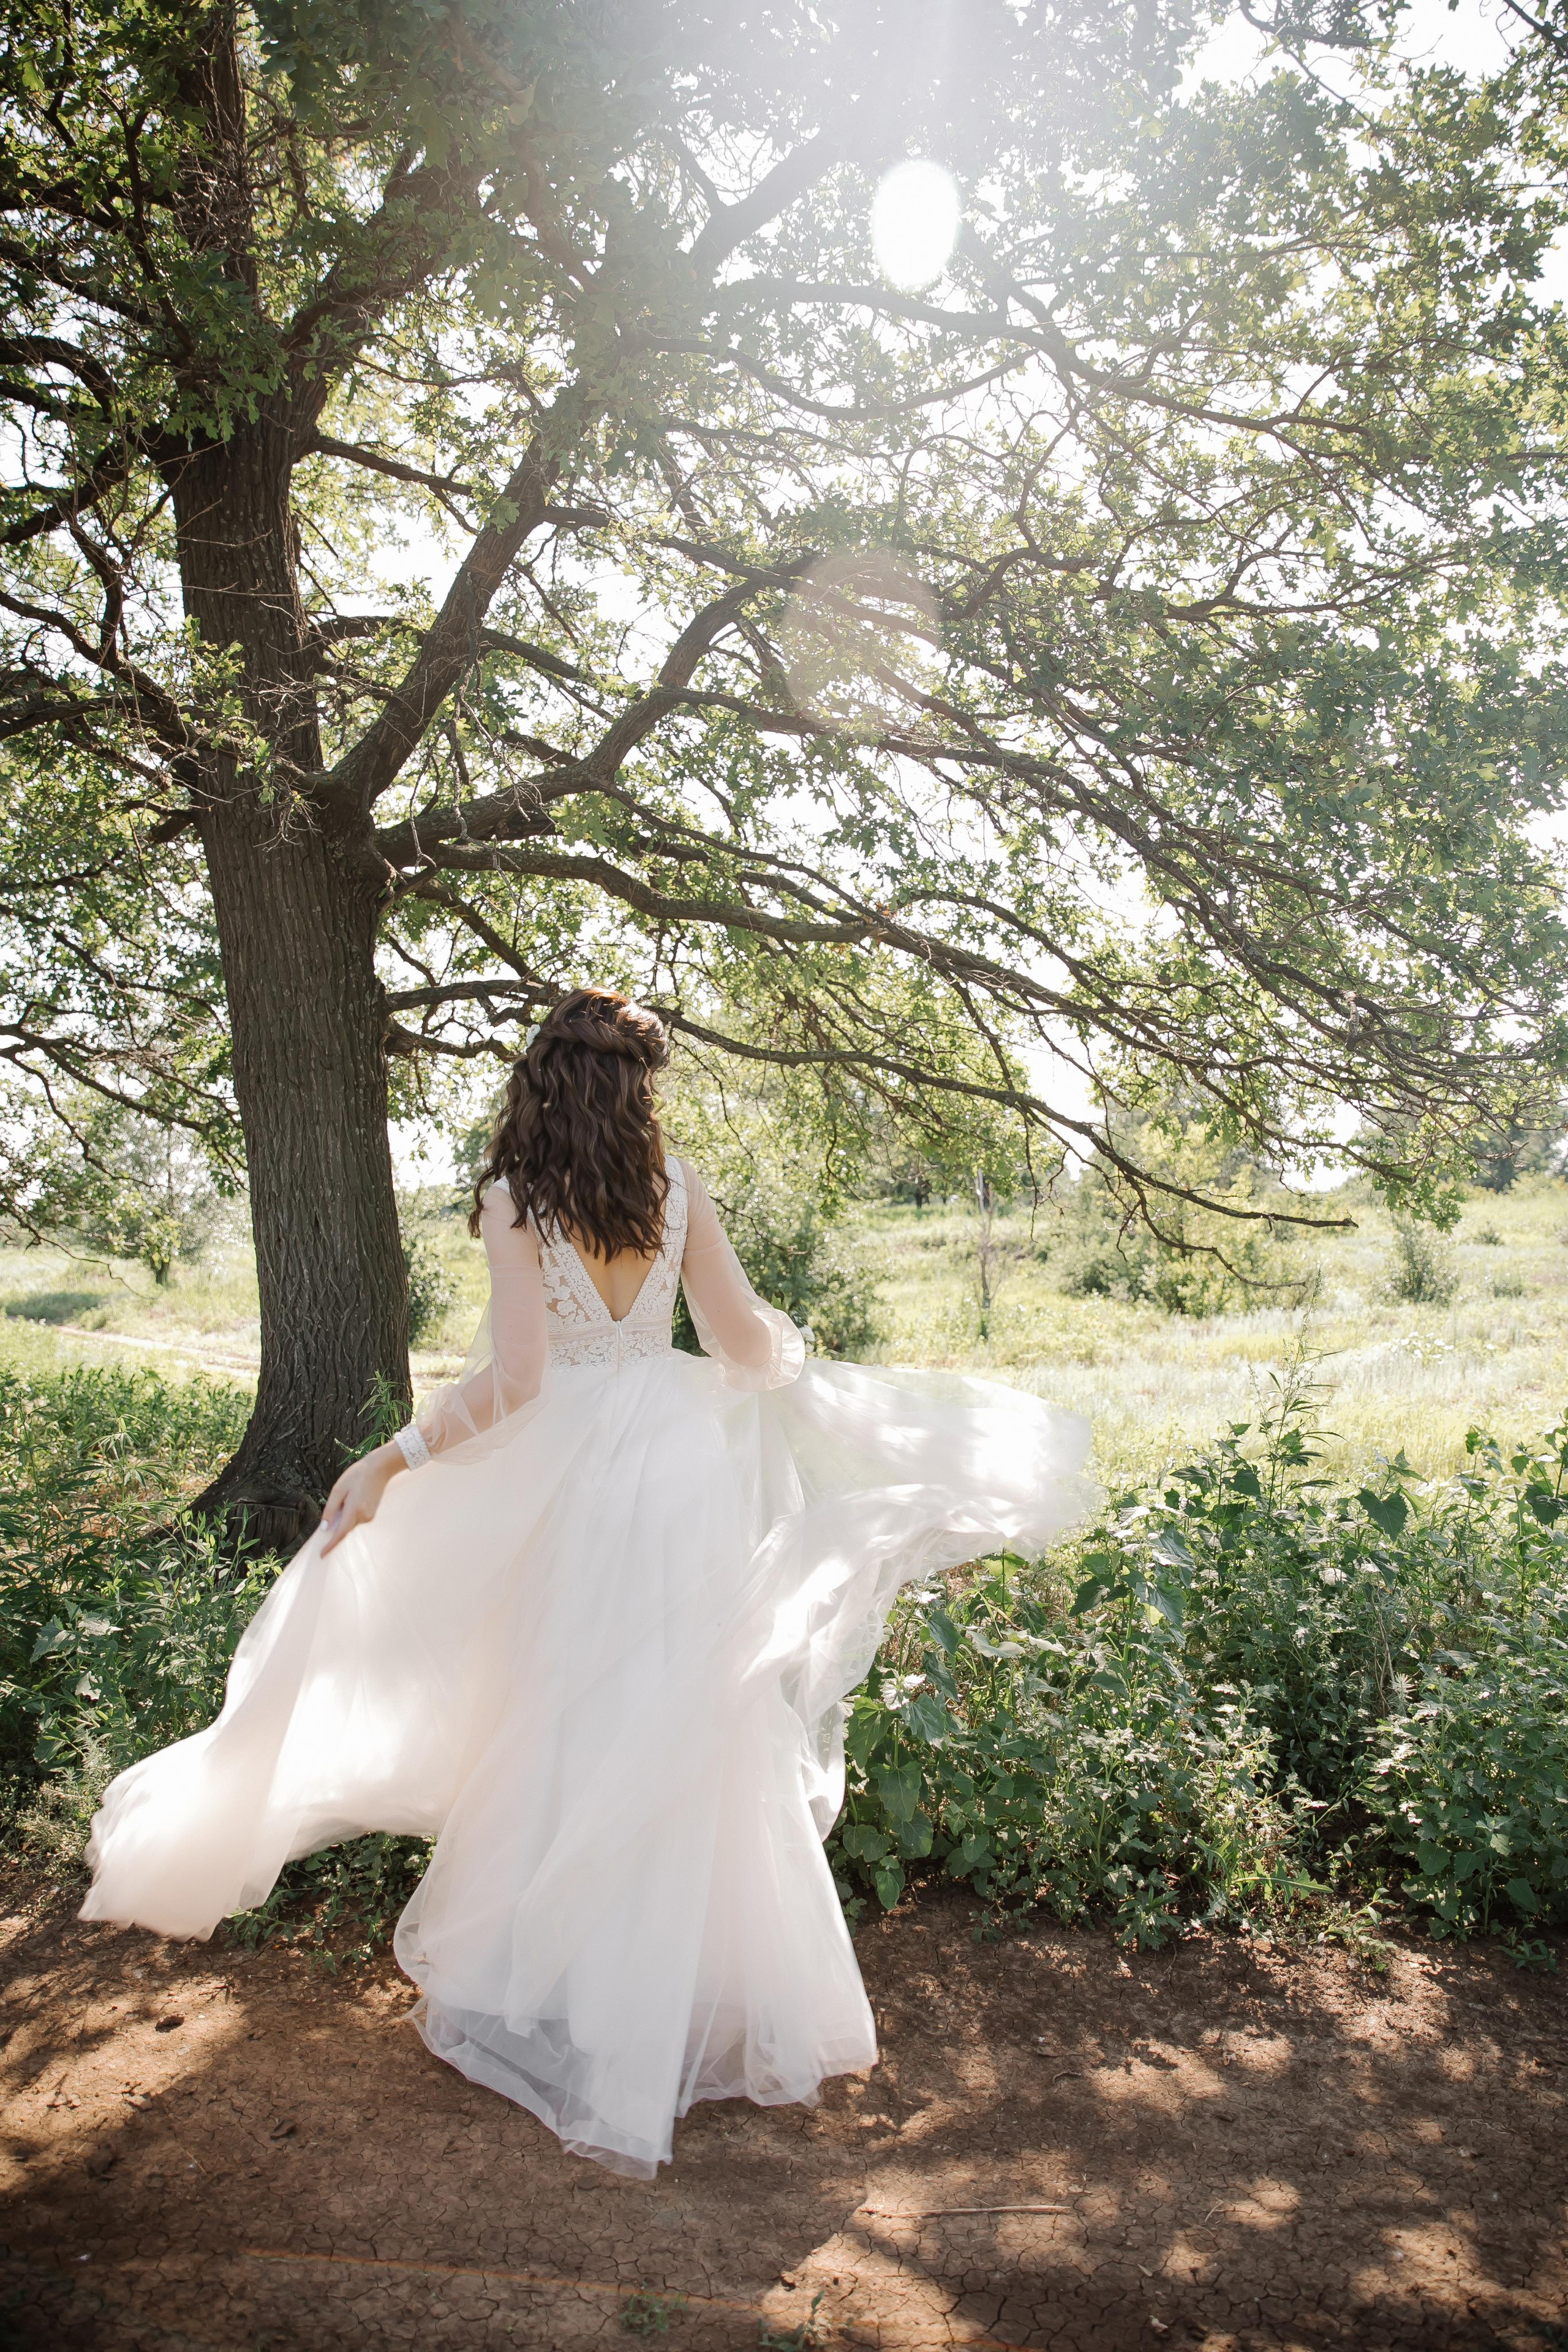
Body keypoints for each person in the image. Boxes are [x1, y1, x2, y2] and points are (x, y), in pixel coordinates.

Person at [80, 989, 1095, 2177]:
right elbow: (742, 1351)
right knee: (683, 1722)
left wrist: (391, 1456)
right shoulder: (675, 1192)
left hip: (576, 1479)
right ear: (635, 1089)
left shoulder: (518, 1201)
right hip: (674, 1474)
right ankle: (686, 1989)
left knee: (564, 1714)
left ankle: (562, 1989)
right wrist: (789, 1349)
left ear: (542, 1087)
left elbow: (514, 1384)